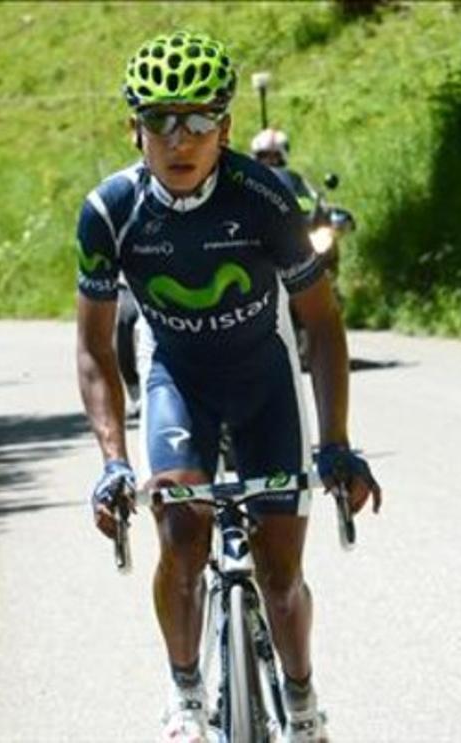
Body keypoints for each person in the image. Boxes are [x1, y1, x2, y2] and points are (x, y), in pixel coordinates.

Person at [75, 31, 382, 743]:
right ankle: (186, 693)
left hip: (263, 378)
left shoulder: (265, 198)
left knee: (280, 573)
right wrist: (113, 462)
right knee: (181, 532)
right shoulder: (109, 211)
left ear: (227, 128)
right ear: (134, 128)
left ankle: (302, 704)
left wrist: (334, 443)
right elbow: (94, 347)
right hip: (177, 376)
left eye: (200, 121)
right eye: (161, 120)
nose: (180, 140)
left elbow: (322, 326)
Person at [250, 128, 324, 223]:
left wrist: (321, 208)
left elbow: (311, 198)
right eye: (264, 155)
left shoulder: (294, 179)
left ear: (282, 156)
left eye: (275, 156)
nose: (269, 160)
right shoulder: (245, 176)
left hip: (291, 227)